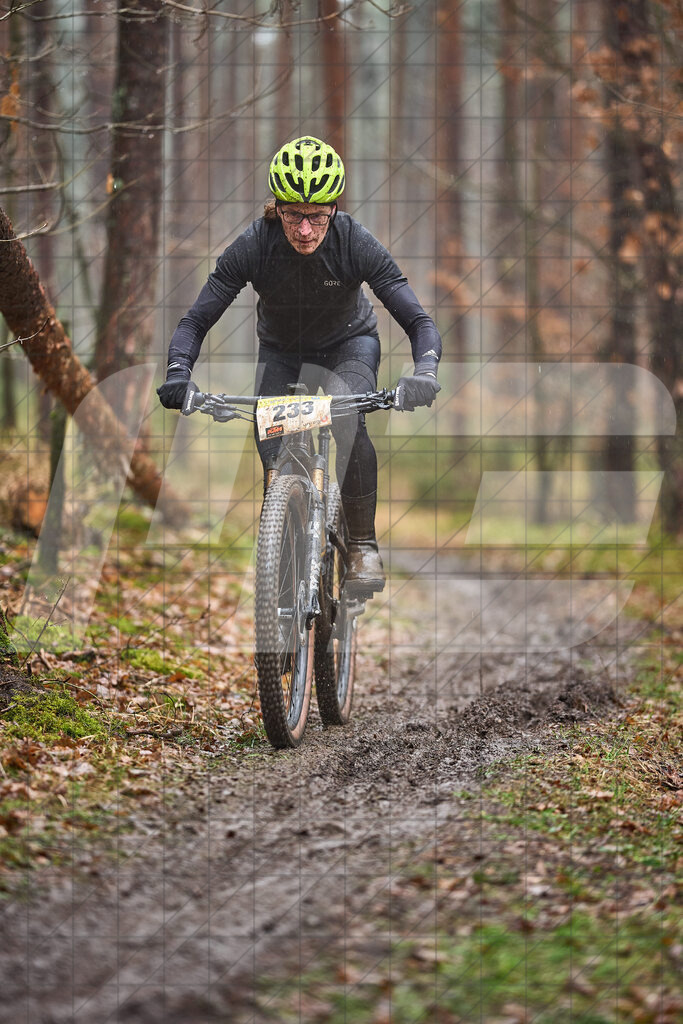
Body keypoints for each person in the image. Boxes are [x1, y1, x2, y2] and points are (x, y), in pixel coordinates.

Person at [158, 135, 442, 592]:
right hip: (283, 355)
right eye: (293, 214)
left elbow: (418, 320)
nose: (305, 229)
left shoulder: (354, 242)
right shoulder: (254, 245)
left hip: (348, 346)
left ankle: (363, 546)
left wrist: (424, 371)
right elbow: (195, 320)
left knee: (349, 416)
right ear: (277, 208)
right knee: (275, 459)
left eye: (316, 216)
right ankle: (279, 584)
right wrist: (178, 373)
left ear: (333, 209)